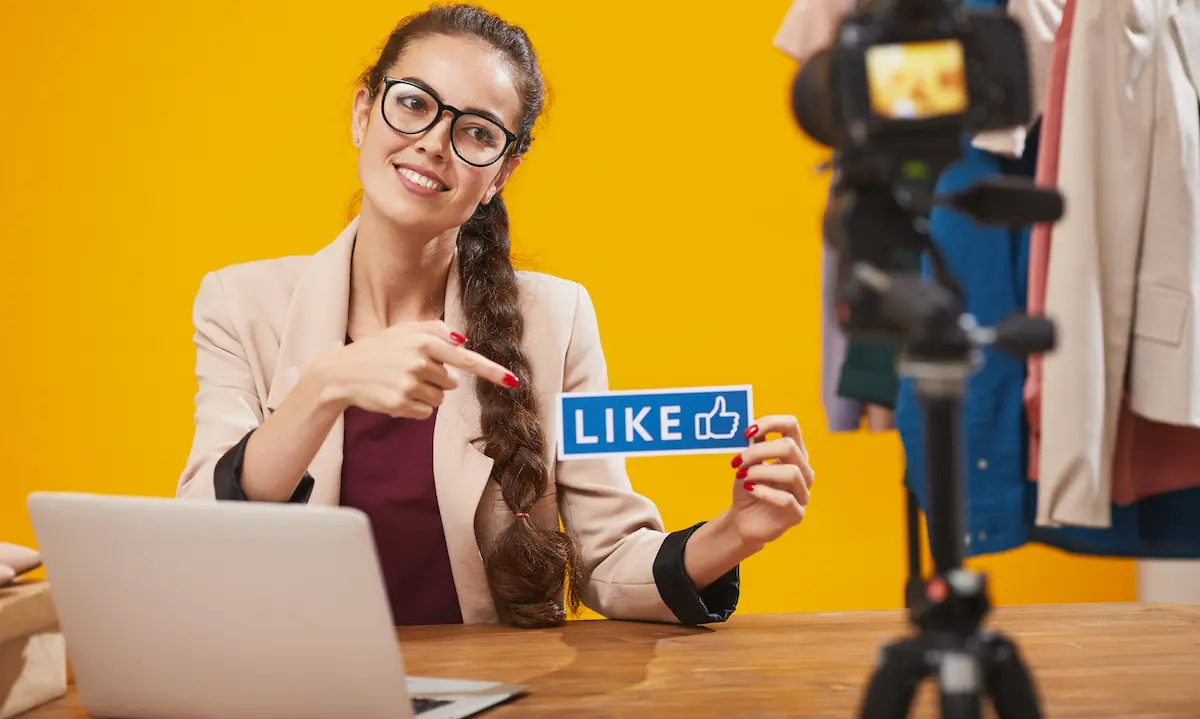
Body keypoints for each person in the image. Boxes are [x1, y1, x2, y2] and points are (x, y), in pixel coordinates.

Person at [177, 2, 815, 629]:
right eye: (413, 103)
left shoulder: (555, 318)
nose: (433, 143)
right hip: (300, 688)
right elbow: (203, 531)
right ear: (362, 111)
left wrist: (735, 532)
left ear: (504, 171)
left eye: (477, 132)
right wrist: (326, 386)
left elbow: (608, 560)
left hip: (487, 690)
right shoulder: (241, 304)